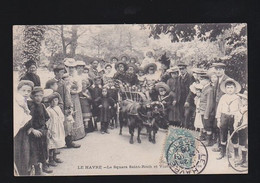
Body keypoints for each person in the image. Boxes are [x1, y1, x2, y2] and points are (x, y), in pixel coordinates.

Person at [52, 64, 80, 148]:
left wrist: (69, 106)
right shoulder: (51, 82)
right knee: (56, 125)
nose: (62, 74)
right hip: (54, 106)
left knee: (67, 124)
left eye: (63, 72)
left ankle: (69, 142)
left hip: (63, 106)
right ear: (56, 73)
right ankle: (56, 146)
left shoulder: (62, 82)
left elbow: (67, 95)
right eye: (61, 72)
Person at [27, 87, 52, 175]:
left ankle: (45, 165)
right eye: (36, 96)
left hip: (42, 130)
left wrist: (46, 129)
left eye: (40, 96)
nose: (38, 98)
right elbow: (27, 120)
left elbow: (46, 118)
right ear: (32, 96)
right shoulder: (30, 106)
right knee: (35, 150)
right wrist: (32, 129)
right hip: (34, 133)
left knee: (44, 148)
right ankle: (37, 170)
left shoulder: (42, 106)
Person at [215, 78, 241, 160]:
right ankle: (223, 152)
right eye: (228, 87)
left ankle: (236, 154)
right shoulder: (223, 97)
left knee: (234, 136)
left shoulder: (237, 98)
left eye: (231, 87)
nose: (230, 89)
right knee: (223, 135)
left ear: (234, 88)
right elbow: (219, 109)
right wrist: (218, 120)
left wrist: (237, 121)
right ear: (225, 89)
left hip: (233, 118)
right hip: (224, 117)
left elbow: (240, 110)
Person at [14, 80, 34, 175]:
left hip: (24, 131)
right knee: (18, 153)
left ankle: (24, 172)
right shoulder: (17, 102)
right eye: (24, 90)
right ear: (18, 90)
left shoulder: (25, 102)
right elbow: (18, 118)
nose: (26, 93)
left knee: (25, 153)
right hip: (17, 132)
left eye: (28, 91)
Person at [212, 62, 231, 152]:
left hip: (224, 107)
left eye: (220, 69)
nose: (218, 71)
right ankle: (219, 144)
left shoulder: (227, 80)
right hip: (217, 105)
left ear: (224, 70)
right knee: (218, 125)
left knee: (224, 127)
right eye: (216, 69)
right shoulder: (217, 80)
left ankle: (224, 147)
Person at [65, 59, 85, 141]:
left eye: (72, 67)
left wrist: (76, 91)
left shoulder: (78, 77)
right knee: (69, 112)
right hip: (67, 95)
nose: (71, 69)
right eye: (69, 67)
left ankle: (77, 134)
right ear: (67, 68)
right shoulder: (65, 76)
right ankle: (68, 134)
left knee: (76, 112)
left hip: (75, 96)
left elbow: (80, 87)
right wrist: (69, 90)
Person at [46, 92, 66, 167]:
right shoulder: (48, 110)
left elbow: (61, 116)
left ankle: (55, 157)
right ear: (50, 102)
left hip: (58, 127)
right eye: (53, 101)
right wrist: (49, 129)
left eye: (56, 100)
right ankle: (51, 159)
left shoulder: (58, 108)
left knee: (57, 142)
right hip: (52, 128)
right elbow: (47, 121)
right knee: (52, 144)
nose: (54, 102)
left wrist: (61, 122)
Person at [177, 61, 195, 128]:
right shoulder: (179, 78)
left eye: (182, 69)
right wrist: (176, 99)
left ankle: (186, 128)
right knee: (181, 114)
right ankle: (183, 127)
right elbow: (177, 90)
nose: (181, 70)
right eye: (180, 69)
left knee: (187, 114)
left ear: (185, 69)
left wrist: (188, 100)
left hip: (188, 99)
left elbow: (192, 90)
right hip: (180, 100)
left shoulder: (190, 77)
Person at [199, 72, 215, 146]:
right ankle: (206, 139)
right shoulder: (205, 88)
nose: (200, 80)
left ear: (207, 80)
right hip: (202, 110)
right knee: (205, 125)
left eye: (202, 79)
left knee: (208, 126)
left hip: (206, 112)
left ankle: (209, 141)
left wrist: (206, 114)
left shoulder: (209, 89)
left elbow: (209, 103)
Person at [234, 91, 248, 167]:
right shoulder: (241, 108)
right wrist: (235, 125)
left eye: (246, 100)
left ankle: (246, 161)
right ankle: (243, 159)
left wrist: (240, 127)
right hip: (241, 128)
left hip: (246, 128)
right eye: (243, 99)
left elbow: (245, 121)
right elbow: (237, 117)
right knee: (242, 143)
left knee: (246, 144)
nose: (244, 101)